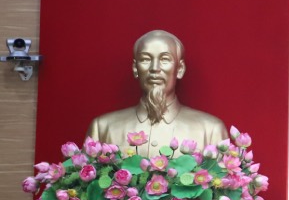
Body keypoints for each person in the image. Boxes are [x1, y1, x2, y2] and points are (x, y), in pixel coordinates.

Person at [87, 29, 228, 155]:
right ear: (135, 68)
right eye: (145, 59)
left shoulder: (210, 130)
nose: (155, 68)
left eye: (165, 59)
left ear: (180, 69)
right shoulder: (103, 128)